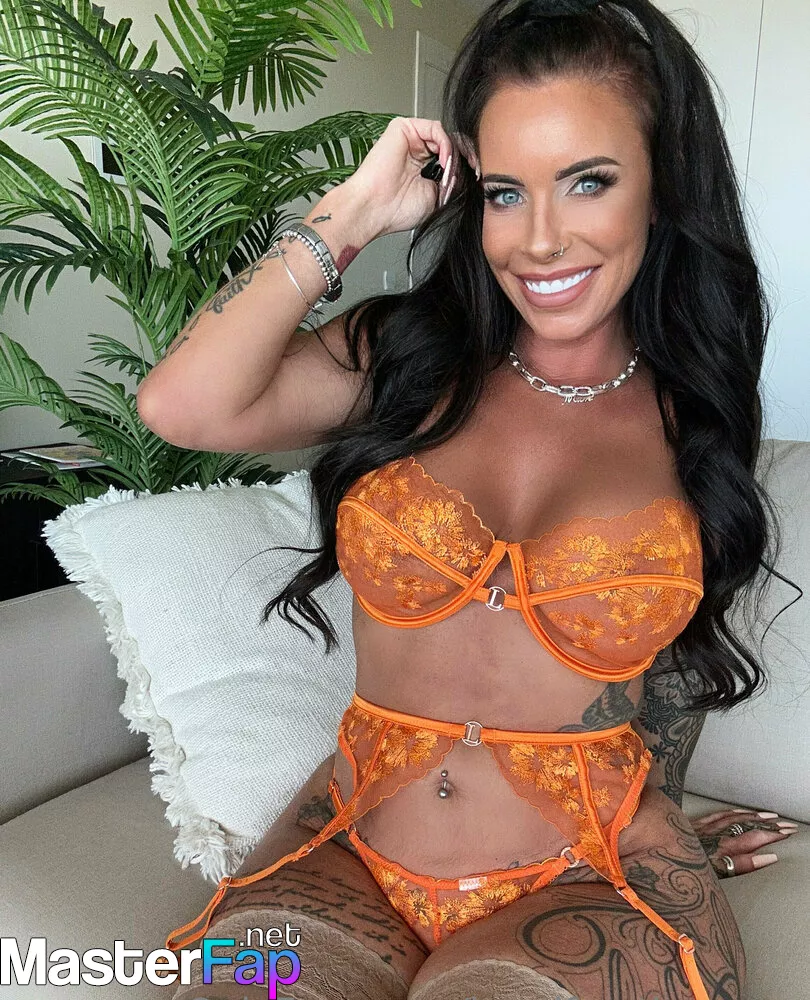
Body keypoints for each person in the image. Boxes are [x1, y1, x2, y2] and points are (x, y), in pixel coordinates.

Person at [138, 1, 801, 997]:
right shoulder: (406, 357)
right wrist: (353, 212)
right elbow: (180, 405)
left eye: (588, 181)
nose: (540, 240)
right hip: (350, 849)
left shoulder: (695, 415)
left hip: (591, 875)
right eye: (505, 192)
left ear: (661, 185)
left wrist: (669, 823)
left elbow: (663, 667)